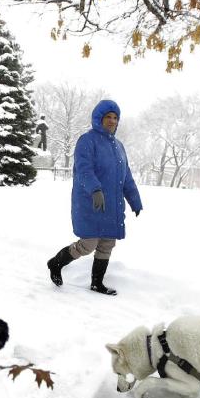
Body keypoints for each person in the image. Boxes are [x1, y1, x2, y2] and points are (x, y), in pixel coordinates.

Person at [46, 100, 142, 295]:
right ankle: (55, 263)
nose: (112, 121)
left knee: (107, 243)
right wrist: (95, 189)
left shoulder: (119, 146)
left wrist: (134, 200)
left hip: (112, 204)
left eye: (115, 117)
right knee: (88, 243)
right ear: (99, 118)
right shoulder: (87, 141)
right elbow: (84, 169)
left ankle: (97, 283)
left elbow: (127, 177)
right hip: (91, 201)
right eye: (108, 117)